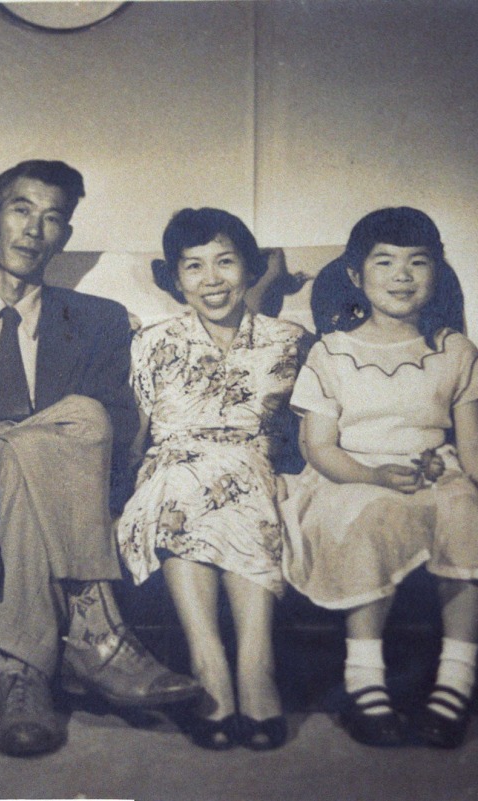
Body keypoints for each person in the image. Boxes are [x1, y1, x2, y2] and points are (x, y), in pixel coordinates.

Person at [0, 160, 201, 758]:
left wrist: (18, 443)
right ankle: (96, 633)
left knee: (83, 416)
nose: (35, 229)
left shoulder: (98, 320)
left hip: (55, 475)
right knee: (50, 435)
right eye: (20, 209)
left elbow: (110, 425)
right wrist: (20, 438)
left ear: (64, 235)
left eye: (53, 218)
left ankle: (20, 675)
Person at [282, 207, 478, 749]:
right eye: (384, 262)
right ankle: (364, 679)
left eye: (418, 262)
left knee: (468, 516)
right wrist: (375, 475)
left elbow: (475, 444)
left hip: (435, 472)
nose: (402, 275)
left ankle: (455, 680)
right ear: (355, 276)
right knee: (372, 517)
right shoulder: (331, 352)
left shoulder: (454, 351)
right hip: (350, 477)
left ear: (437, 272)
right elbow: (319, 447)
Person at [117, 209, 309, 751]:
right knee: (183, 481)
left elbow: (310, 428)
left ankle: (256, 667)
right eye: (194, 266)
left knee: (242, 478)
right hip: (172, 467)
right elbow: (136, 433)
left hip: (254, 466)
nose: (212, 279)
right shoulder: (152, 341)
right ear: (176, 279)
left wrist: (295, 476)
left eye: (225, 262)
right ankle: (210, 665)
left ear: (249, 268)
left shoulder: (289, 340)